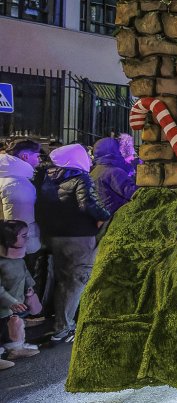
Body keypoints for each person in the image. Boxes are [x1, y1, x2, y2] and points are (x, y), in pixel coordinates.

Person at [35, 144, 110, 343]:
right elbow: (89, 205)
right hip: (79, 235)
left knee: (63, 280)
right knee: (76, 280)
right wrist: (105, 217)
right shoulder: (80, 177)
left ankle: (59, 321)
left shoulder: (45, 176)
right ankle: (64, 327)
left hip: (54, 235)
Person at [0, 220, 40, 361]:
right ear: (9, 238)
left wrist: (29, 289)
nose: (27, 238)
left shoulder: (19, 259)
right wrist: (12, 302)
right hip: (4, 307)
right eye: (23, 236)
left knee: (15, 324)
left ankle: (16, 348)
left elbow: (25, 274)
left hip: (14, 306)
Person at [0, 155, 39, 259]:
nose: (38, 160)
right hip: (12, 248)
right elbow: (20, 222)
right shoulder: (16, 183)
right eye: (36, 155)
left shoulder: (6, 181)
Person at [91, 137, 136, 214]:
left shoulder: (94, 172)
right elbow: (133, 193)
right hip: (115, 217)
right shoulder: (114, 172)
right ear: (115, 151)